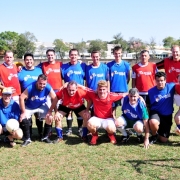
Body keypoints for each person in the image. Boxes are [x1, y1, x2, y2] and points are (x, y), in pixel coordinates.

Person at [19, 74, 56, 147]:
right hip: (30, 106)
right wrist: (23, 112)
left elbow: (55, 99)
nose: (42, 85)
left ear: (46, 82)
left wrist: (50, 111)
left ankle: (45, 137)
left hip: (41, 105)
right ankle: (27, 139)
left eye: (44, 84)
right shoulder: (30, 87)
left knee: (49, 117)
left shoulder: (48, 87)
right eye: (40, 83)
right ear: (37, 82)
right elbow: (21, 98)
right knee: (23, 118)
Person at [86, 80, 127, 145]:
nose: (102, 91)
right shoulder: (93, 94)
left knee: (112, 129)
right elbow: (84, 88)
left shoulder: (111, 95)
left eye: (103, 89)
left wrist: (140, 97)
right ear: (97, 89)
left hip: (108, 119)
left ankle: (111, 135)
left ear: (107, 89)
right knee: (89, 124)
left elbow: (125, 94)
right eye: (100, 89)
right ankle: (95, 135)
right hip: (97, 118)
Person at [61, 48, 86, 136]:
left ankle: (80, 129)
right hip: (68, 93)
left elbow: (85, 79)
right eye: (72, 55)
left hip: (79, 93)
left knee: (79, 111)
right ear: (69, 56)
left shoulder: (83, 66)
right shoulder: (64, 67)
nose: (73, 56)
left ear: (78, 56)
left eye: (75, 55)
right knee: (69, 112)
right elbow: (62, 79)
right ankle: (69, 129)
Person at [18, 52, 43, 138]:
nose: (29, 61)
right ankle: (29, 134)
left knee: (38, 115)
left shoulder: (39, 70)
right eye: (27, 60)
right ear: (24, 61)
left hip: (37, 97)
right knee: (28, 116)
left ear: (33, 60)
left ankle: (40, 132)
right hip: (25, 98)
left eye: (30, 60)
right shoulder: (20, 72)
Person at [148, 72, 175, 144]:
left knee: (163, 140)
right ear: (155, 81)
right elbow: (147, 105)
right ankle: (154, 135)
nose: (160, 82)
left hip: (167, 115)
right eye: (158, 80)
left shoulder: (172, 87)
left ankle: (157, 131)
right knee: (153, 122)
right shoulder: (151, 91)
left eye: (162, 80)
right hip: (156, 112)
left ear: (165, 80)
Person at [107, 46, 131, 116]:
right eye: (116, 53)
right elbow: (107, 79)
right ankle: (113, 122)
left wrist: (124, 85)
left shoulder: (126, 65)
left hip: (123, 90)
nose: (117, 55)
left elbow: (128, 78)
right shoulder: (109, 65)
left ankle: (124, 122)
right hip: (113, 91)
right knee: (112, 108)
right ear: (113, 54)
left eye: (119, 53)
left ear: (121, 53)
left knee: (125, 108)